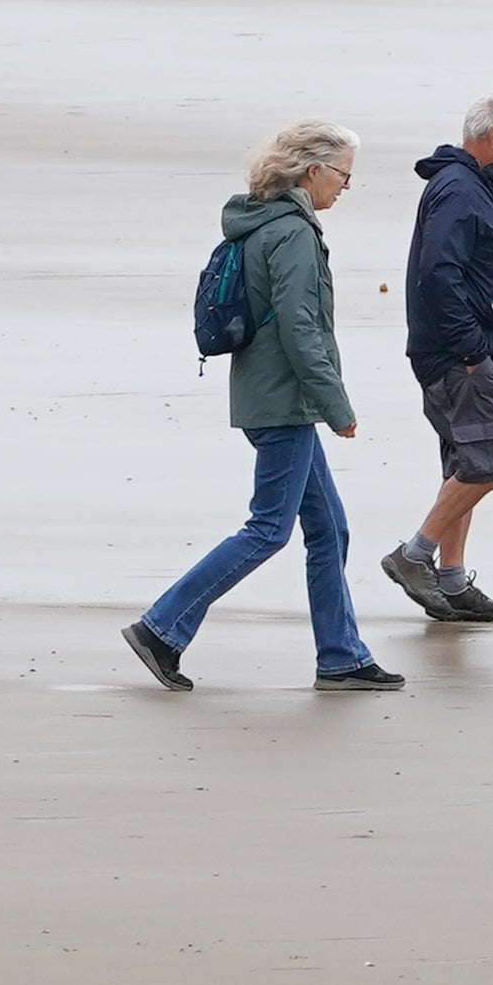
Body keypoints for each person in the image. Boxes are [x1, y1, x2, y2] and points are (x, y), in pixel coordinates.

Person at [124, 122, 403, 693]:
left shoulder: (259, 221)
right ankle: (161, 627)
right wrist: (336, 406)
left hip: (267, 397)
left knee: (329, 529)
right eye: (345, 174)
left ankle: (341, 656)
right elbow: (302, 329)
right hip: (284, 403)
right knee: (269, 529)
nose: (347, 187)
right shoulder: (293, 234)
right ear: (314, 170)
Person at [379, 96, 493, 623]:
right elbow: (439, 273)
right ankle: (415, 555)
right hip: (457, 353)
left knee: (465, 460)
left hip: (454, 348)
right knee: (491, 460)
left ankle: (450, 580)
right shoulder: (458, 189)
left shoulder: (467, 186)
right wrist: (472, 349)